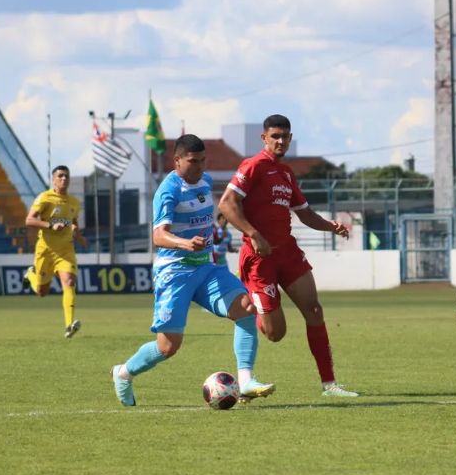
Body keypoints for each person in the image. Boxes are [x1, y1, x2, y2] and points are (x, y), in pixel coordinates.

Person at [110, 134, 274, 406]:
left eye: (202, 161)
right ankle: (124, 373)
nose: (199, 167)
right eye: (192, 162)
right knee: (168, 347)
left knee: (246, 307)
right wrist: (185, 243)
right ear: (176, 161)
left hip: (206, 269)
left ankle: (245, 381)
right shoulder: (168, 191)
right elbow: (158, 236)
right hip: (174, 272)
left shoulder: (205, 181)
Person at [218, 114, 359, 397]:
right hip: (259, 258)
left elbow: (304, 212)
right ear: (264, 138)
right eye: (275, 136)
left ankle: (329, 385)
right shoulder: (254, 166)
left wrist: (331, 226)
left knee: (315, 310)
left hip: (288, 252)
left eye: (285, 137)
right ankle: (251, 299)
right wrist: (254, 234)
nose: (281, 141)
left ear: (290, 139)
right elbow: (227, 203)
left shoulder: (286, 173)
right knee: (275, 334)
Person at [22, 165, 87, 338]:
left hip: (66, 250)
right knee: (42, 292)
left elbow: (73, 222)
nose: (64, 179)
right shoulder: (45, 198)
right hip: (46, 250)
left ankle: (69, 325)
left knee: (69, 282)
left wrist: (79, 236)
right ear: (53, 179)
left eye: (66, 176)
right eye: (60, 176)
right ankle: (30, 275)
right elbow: (29, 220)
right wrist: (50, 225)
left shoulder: (74, 202)